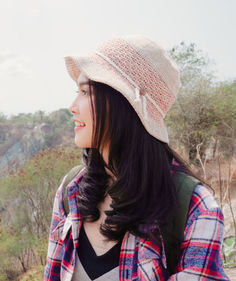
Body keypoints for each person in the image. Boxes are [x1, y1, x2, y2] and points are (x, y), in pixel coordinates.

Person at [44, 36, 228, 280]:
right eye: (76, 91)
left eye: (85, 92)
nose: (72, 106)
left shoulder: (196, 210)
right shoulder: (72, 190)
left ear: (124, 103)